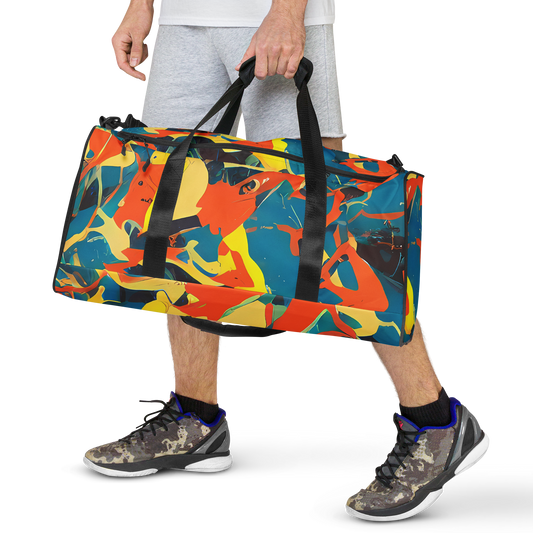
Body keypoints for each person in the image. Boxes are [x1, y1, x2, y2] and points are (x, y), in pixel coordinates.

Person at [81, 0, 492, 522]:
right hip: (182, 19)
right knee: (182, 224)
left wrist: (288, 11)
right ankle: (194, 418)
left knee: (340, 229)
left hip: (269, 15)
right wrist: (142, 4)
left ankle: (437, 424)